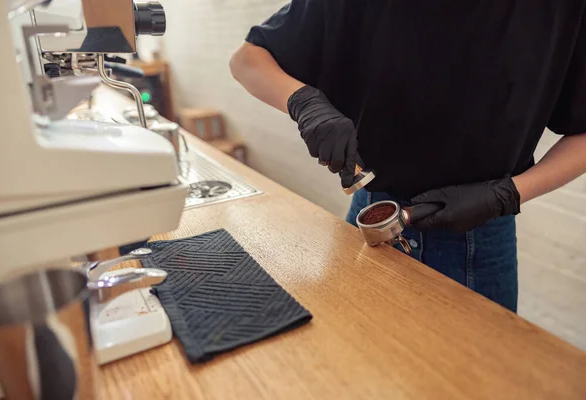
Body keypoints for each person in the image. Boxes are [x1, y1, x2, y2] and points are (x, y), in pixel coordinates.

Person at [230, 0, 586, 312]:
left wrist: (509, 193)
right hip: (372, 216)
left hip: (481, 234)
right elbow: (247, 60)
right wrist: (303, 102)